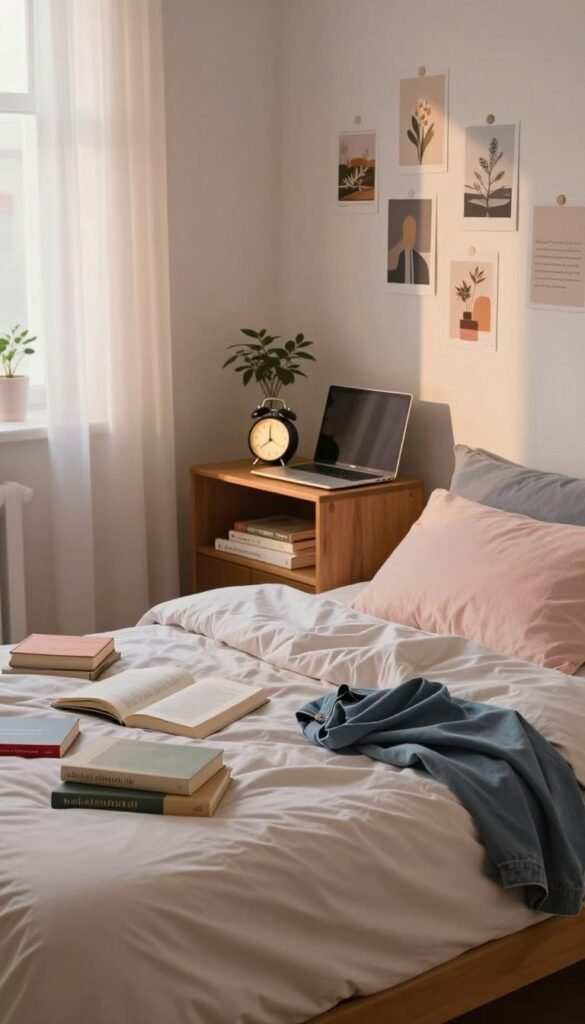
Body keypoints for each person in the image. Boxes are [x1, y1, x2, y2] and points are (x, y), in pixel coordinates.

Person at [387, 214, 429, 285]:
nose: (410, 232)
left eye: (413, 229)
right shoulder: (394, 256)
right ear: (403, 231)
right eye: (407, 228)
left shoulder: (421, 261)